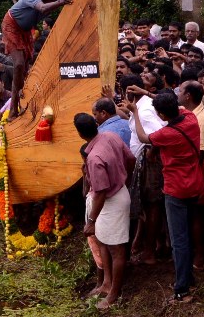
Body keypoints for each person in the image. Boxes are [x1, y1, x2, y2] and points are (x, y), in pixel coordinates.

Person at [126, 91, 204, 303]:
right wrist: (147, 93)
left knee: (179, 241)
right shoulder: (190, 118)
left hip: (176, 189)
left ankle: (182, 290)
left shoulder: (165, 134)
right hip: (195, 183)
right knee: (187, 234)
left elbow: (143, 138)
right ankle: (188, 278)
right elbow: (174, 105)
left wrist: (134, 111)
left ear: (160, 115)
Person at [75, 113, 135, 310]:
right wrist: (124, 180)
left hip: (111, 201)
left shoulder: (94, 157)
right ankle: (107, 283)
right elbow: (131, 159)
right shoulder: (110, 136)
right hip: (117, 193)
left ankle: (114, 294)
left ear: (80, 134)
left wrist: (91, 220)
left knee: (117, 249)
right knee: (102, 241)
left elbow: (100, 193)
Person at [2, 0, 74, 115]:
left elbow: (68, 2)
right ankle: (12, 109)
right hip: (12, 26)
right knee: (18, 65)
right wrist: (60, 2)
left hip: (27, 29)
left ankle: (24, 102)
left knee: (24, 69)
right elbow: (42, 8)